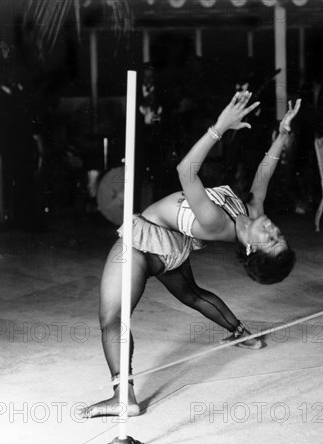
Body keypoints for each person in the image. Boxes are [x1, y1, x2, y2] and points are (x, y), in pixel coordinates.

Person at [81, 91, 300, 418]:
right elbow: (264, 173)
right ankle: (242, 334)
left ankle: (123, 397)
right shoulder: (252, 211)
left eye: (270, 240)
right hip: (173, 248)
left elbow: (186, 171)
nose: (273, 230)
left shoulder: (215, 222)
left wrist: (219, 127)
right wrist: (282, 135)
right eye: (279, 235)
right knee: (194, 295)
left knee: (112, 318)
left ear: (252, 248)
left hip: (143, 244)